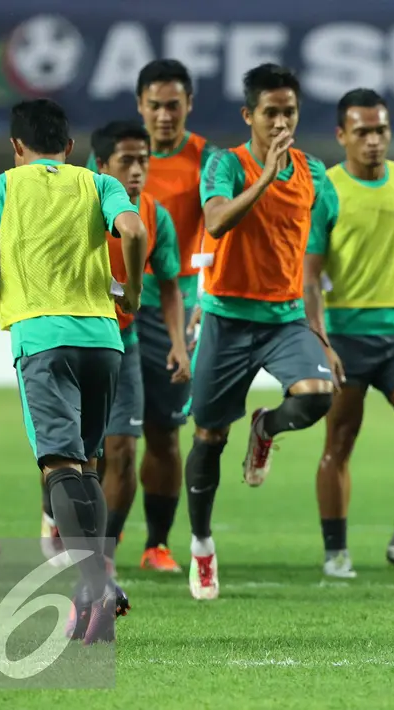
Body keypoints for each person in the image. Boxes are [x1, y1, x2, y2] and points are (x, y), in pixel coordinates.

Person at [0, 98, 147, 643]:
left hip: (42, 339)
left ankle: (95, 585)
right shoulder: (96, 183)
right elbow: (132, 232)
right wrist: (130, 290)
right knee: (89, 464)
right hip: (103, 340)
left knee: (60, 467)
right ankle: (97, 590)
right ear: (70, 147)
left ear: (16, 147)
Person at [187, 63, 336, 600]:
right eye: (270, 112)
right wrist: (265, 178)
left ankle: (267, 427)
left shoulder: (316, 174)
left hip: (284, 318)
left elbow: (314, 255)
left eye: (288, 112)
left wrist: (320, 327)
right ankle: (202, 548)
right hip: (227, 318)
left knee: (319, 395)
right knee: (208, 437)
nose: (280, 121)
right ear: (249, 115)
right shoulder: (225, 163)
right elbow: (216, 221)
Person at [304, 89, 394, 579]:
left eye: (380, 130)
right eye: (362, 131)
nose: (373, 140)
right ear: (342, 135)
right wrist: (320, 338)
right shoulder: (326, 187)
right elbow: (309, 275)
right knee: (339, 443)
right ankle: (336, 551)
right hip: (345, 335)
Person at [87, 60, 218, 573]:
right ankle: (85, 538)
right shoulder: (118, 157)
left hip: (175, 305)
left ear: (189, 105)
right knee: (103, 438)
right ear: (141, 105)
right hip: (106, 306)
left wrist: (204, 296)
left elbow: (217, 227)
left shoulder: (208, 159)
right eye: (155, 105)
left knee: (164, 432)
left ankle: (156, 544)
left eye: (174, 105)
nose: (165, 115)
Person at [90, 120, 190, 569]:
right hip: (77, 338)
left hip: (126, 339)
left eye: (143, 161)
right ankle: (58, 524)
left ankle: (109, 555)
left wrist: (178, 343)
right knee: (76, 452)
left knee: (125, 448)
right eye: (126, 161)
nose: (136, 171)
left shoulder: (153, 214)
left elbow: (169, 285)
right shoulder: (78, 205)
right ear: (101, 164)